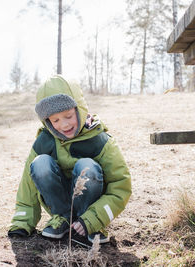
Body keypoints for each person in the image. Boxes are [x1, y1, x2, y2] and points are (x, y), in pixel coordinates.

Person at [8, 75, 132, 244]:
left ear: (79, 108)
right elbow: (27, 187)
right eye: (55, 120)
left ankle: (86, 225)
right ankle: (63, 219)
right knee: (40, 164)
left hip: (91, 208)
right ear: (47, 121)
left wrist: (94, 218)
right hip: (60, 203)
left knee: (86, 165)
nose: (64, 125)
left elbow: (120, 188)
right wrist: (21, 222)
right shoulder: (45, 141)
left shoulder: (100, 141)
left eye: (68, 116)